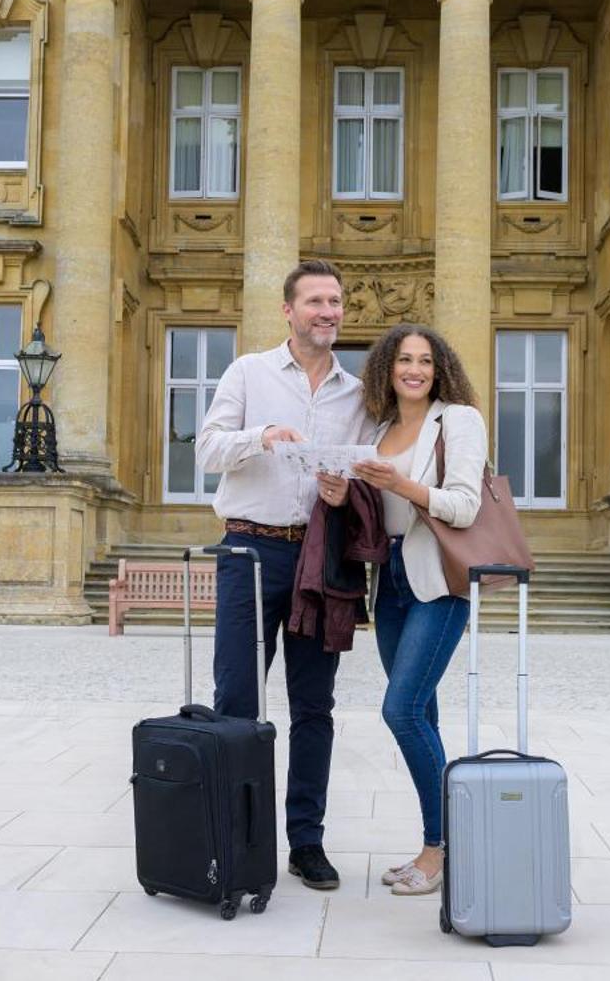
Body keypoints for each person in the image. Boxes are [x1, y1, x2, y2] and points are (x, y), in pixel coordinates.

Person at [195, 258, 372, 891]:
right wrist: (261, 435)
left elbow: (368, 478)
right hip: (247, 551)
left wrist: (340, 492)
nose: (329, 311)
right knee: (237, 701)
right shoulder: (249, 372)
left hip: (320, 558)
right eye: (317, 301)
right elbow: (206, 447)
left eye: (336, 301)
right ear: (288, 310)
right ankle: (235, 840)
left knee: (314, 706)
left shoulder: (358, 395)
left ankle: (307, 842)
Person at [318, 321, 485, 897]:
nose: (414, 370)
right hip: (388, 580)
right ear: (387, 368)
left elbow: (463, 506)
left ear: (440, 371)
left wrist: (401, 482)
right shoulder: (382, 427)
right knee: (424, 717)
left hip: (438, 581)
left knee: (401, 710)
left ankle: (442, 848)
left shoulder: (458, 420)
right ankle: (436, 845)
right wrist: (346, 495)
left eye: (425, 361)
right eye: (404, 360)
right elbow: (378, 511)